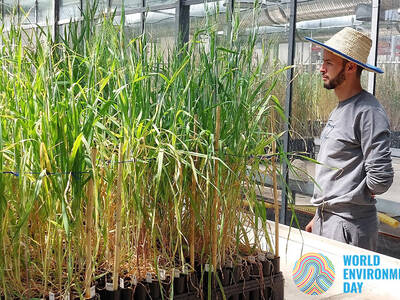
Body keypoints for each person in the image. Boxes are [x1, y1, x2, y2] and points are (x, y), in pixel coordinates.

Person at [304, 27, 394, 251]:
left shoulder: (368, 111)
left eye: (329, 63)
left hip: (348, 228)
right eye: (323, 61)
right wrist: (320, 216)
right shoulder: (342, 108)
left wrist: (353, 201)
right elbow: (337, 168)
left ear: (351, 67)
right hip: (330, 220)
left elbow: (381, 178)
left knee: (347, 287)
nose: (321, 68)